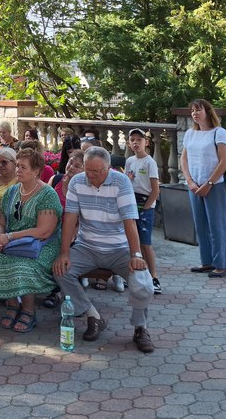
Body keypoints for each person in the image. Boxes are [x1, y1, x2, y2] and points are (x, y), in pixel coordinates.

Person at [53, 146, 155, 353]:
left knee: (143, 282)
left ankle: (140, 328)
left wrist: (136, 254)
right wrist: (64, 252)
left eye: (97, 171)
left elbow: (130, 221)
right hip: (87, 246)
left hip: (118, 248)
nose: (91, 175)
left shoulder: (121, 181)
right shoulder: (77, 182)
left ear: (108, 168)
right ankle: (94, 316)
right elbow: (70, 219)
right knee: (60, 270)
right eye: (88, 170)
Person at [0, 147, 62, 333]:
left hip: (41, 244)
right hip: (13, 242)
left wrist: (9, 237)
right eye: (17, 165)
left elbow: (44, 231)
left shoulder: (47, 194)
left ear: (36, 171)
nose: (18, 170)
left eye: (23, 167)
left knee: (22, 265)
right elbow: (0, 221)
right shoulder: (12, 192)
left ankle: (28, 311)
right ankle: (12, 305)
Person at [180, 99, 226, 278]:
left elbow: (224, 161)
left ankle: (222, 265)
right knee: (201, 226)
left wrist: (209, 183)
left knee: (217, 225)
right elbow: (184, 160)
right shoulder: (189, 134)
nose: (195, 113)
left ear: (208, 111)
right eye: (192, 110)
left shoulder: (220, 133)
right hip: (194, 186)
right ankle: (207, 262)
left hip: (214, 186)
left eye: (198, 109)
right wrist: (190, 182)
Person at [125, 128, 161, 293]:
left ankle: (154, 277)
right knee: (133, 241)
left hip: (145, 204)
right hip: (132, 202)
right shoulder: (130, 161)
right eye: (132, 140)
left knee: (146, 243)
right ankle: (137, 274)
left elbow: (155, 190)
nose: (135, 143)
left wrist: (147, 207)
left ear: (146, 142)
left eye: (139, 140)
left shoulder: (149, 162)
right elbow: (127, 182)